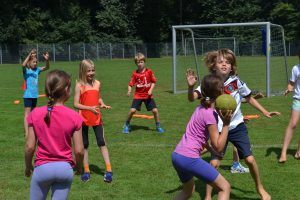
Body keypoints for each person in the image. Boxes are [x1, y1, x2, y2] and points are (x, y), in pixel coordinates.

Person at [203, 49, 280, 200]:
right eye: (221, 61)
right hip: (219, 129)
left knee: (250, 160)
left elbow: (249, 98)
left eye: (228, 62)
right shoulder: (210, 83)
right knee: (213, 163)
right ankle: (207, 196)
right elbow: (196, 98)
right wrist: (194, 90)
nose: (225, 64)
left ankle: (260, 188)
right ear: (214, 66)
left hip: (237, 126)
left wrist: (265, 112)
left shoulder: (236, 81)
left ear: (232, 67)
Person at [24, 70, 84, 200]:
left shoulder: (35, 114)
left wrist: (28, 166)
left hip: (42, 169)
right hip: (65, 169)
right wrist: (79, 168)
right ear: (67, 90)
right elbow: (79, 151)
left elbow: (29, 147)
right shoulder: (74, 116)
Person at [172, 74, 232, 200]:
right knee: (224, 187)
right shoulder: (210, 115)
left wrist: (213, 152)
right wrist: (226, 124)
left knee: (188, 191)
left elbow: (202, 139)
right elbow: (219, 145)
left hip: (177, 155)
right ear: (220, 91)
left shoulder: (200, 108)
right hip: (189, 158)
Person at [187, 69, 249, 174]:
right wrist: (190, 87)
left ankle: (236, 164)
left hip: (230, 123)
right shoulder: (209, 84)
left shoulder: (229, 83)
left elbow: (233, 101)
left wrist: (238, 119)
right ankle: (190, 156)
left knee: (218, 150)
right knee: (215, 152)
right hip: (219, 125)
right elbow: (192, 97)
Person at [74, 59, 113, 183]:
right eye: (88, 71)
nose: (91, 73)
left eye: (93, 70)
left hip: (96, 118)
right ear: (83, 71)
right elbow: (75, 104)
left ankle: (108, 170)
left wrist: (102, 104)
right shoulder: (79, 85)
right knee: (84, 145)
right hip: (83, 119)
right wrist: (89, 108)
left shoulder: (97, 83)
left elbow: (98, 97)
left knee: (101, 142)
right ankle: (86, 171)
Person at [122, 52, 164, 134]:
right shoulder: (135, 74)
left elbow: (153, 82)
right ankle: (127, 124)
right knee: (132, 111)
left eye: (141, 62)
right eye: (138, 62)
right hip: (138, 95)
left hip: (148, 96)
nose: (140, 64)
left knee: (155, 111)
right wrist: (129, 90)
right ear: (136, 63)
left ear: (144, 62)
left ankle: (158, 126)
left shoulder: (149, 72)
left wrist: (150, 90)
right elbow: (130, 84)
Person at [22, 49, 50, 138]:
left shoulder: (37, 70)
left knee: (33, 114)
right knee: (27, 114)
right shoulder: (26, 71)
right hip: (28, 95)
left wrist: (47, 60)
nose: (35, 63)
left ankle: (33, 130)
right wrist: (29, 54)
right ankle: (26, 132)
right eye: (33, 62)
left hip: (34, 95)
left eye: (36, 62)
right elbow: (23, 64)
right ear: (29, 63)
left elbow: (47, 67)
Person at [279, 51, 300, 163]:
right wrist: (289, 88)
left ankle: (298, 152)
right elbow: (291, 83)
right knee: (293, 124)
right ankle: (283, 153)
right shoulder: (296, 69)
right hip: (298, 99)